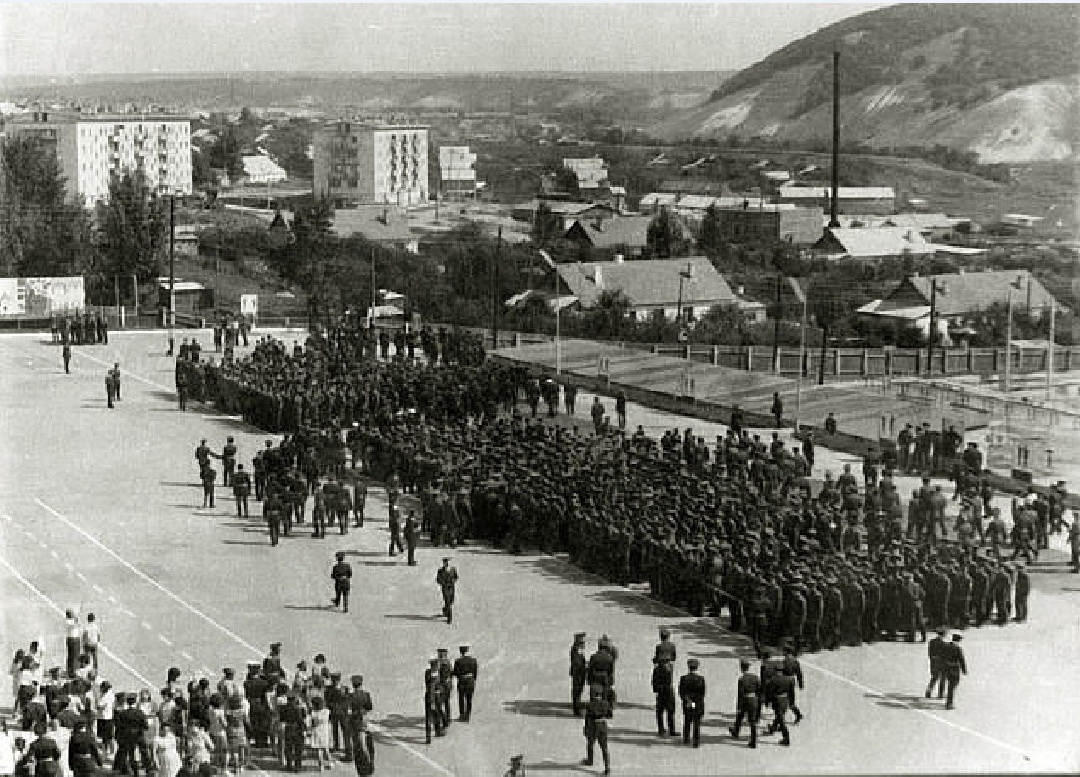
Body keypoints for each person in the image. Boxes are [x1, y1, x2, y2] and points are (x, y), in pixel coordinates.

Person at [729, 658, 761, 748]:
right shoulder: (756, 677)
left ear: (741, 668)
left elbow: (740, 694)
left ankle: (736, 732)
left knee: (739, 716)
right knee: (752, 721)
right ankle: (753, 740)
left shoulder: (742, 679)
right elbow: (759, 690)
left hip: (745, 700)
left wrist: (738, 706)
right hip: (754, 699)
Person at [581, 683, 611, 775]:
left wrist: (585, 729)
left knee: (590, 744)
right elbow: (609, 714)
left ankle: (590, 760)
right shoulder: (605, 703)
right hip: (602, 725)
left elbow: (587, 717)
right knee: (604, 748)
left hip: (593, 725)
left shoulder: (590, 705)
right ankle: (607, 767)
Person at [678, 658, 705, 748]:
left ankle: (686, 738)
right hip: (697, 703)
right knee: (696, 723)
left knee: (687, 720)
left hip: (688, 702)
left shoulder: (684, 678)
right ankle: (696, 742)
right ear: (697, 667)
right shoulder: (701, 679)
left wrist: (687, 700)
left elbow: (681, 692)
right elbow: (702, 693)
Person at [651, 656, 676, 737]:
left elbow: (653, 682)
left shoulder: (656, 670)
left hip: (660, 693)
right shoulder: (668, 670)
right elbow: (669, 682)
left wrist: (656, 690)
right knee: (670, 712)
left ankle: (661, 730)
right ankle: (671, 730)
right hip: (668, 693)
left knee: (660, 712)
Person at [453, 645, 478, 722]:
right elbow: (475, 672)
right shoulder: (473, 660)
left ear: (460, 652)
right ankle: (468, 716)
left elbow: (455, 672)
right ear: (467, 651)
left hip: (462, 681)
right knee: (469, 699)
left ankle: (462, 715)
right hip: (470, 681)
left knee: (461, 698)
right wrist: (473, 679)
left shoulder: (458, 661)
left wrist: (460, 677)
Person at [942, 633, 967, 710]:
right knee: (953, 685)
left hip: (946, 667)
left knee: (950, 685)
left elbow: (942, 656)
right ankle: (949, 703)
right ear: (959, 640)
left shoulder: (946, 646)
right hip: (954, 669)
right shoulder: (958, 648)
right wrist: (964, 670)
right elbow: (961, 660)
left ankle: (949, 701)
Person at [308, 696, 332, 771]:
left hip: (316, 731)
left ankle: (321, 765)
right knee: (326, 748)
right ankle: (330, 763)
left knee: (319, 749)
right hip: (325, 730)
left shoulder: (313, 713)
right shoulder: (326, 711)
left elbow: (312, 723)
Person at [925, 627, 948, 699]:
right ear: (944, 634)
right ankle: (940, 694)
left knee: (934, 677)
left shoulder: (931, 642)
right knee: (943, 678)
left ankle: (928, 691)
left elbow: (930, 653)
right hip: (941, 662)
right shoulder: (944, 644)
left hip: (933, 661)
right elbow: (945, 654)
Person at [569, 633, 588, 717]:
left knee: (578, 691)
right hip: (578, 673)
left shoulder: (578, 648)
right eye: (583, 640)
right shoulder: (576, 649)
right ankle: (576, 710)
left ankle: (577, 707)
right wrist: (584, 667)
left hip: (579, 672)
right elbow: (577, 662)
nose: (584, 642)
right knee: (577, 691)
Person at [436, 558, 459, 625]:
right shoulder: (440, 571)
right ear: (443, 563)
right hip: (445, 588)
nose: (446, 564)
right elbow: (438, 580)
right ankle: (449, 618)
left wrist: (453, 581)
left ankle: (445, 610)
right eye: (445, 563)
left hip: (452, 587)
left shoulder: (453, 569)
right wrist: (443, 583)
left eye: (447, 563)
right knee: (448, 601)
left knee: (451, 601)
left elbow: (456, 577)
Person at [64, 610, 81, 679]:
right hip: (72, 640)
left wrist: (76, 619)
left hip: (75, 639)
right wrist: (76, 619)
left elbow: (78, 625)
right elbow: (74, 625)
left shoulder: (71, 621)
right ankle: (71, 672)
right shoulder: (67, 621)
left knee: (75, 655)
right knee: (72, 656)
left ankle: (74, 670)